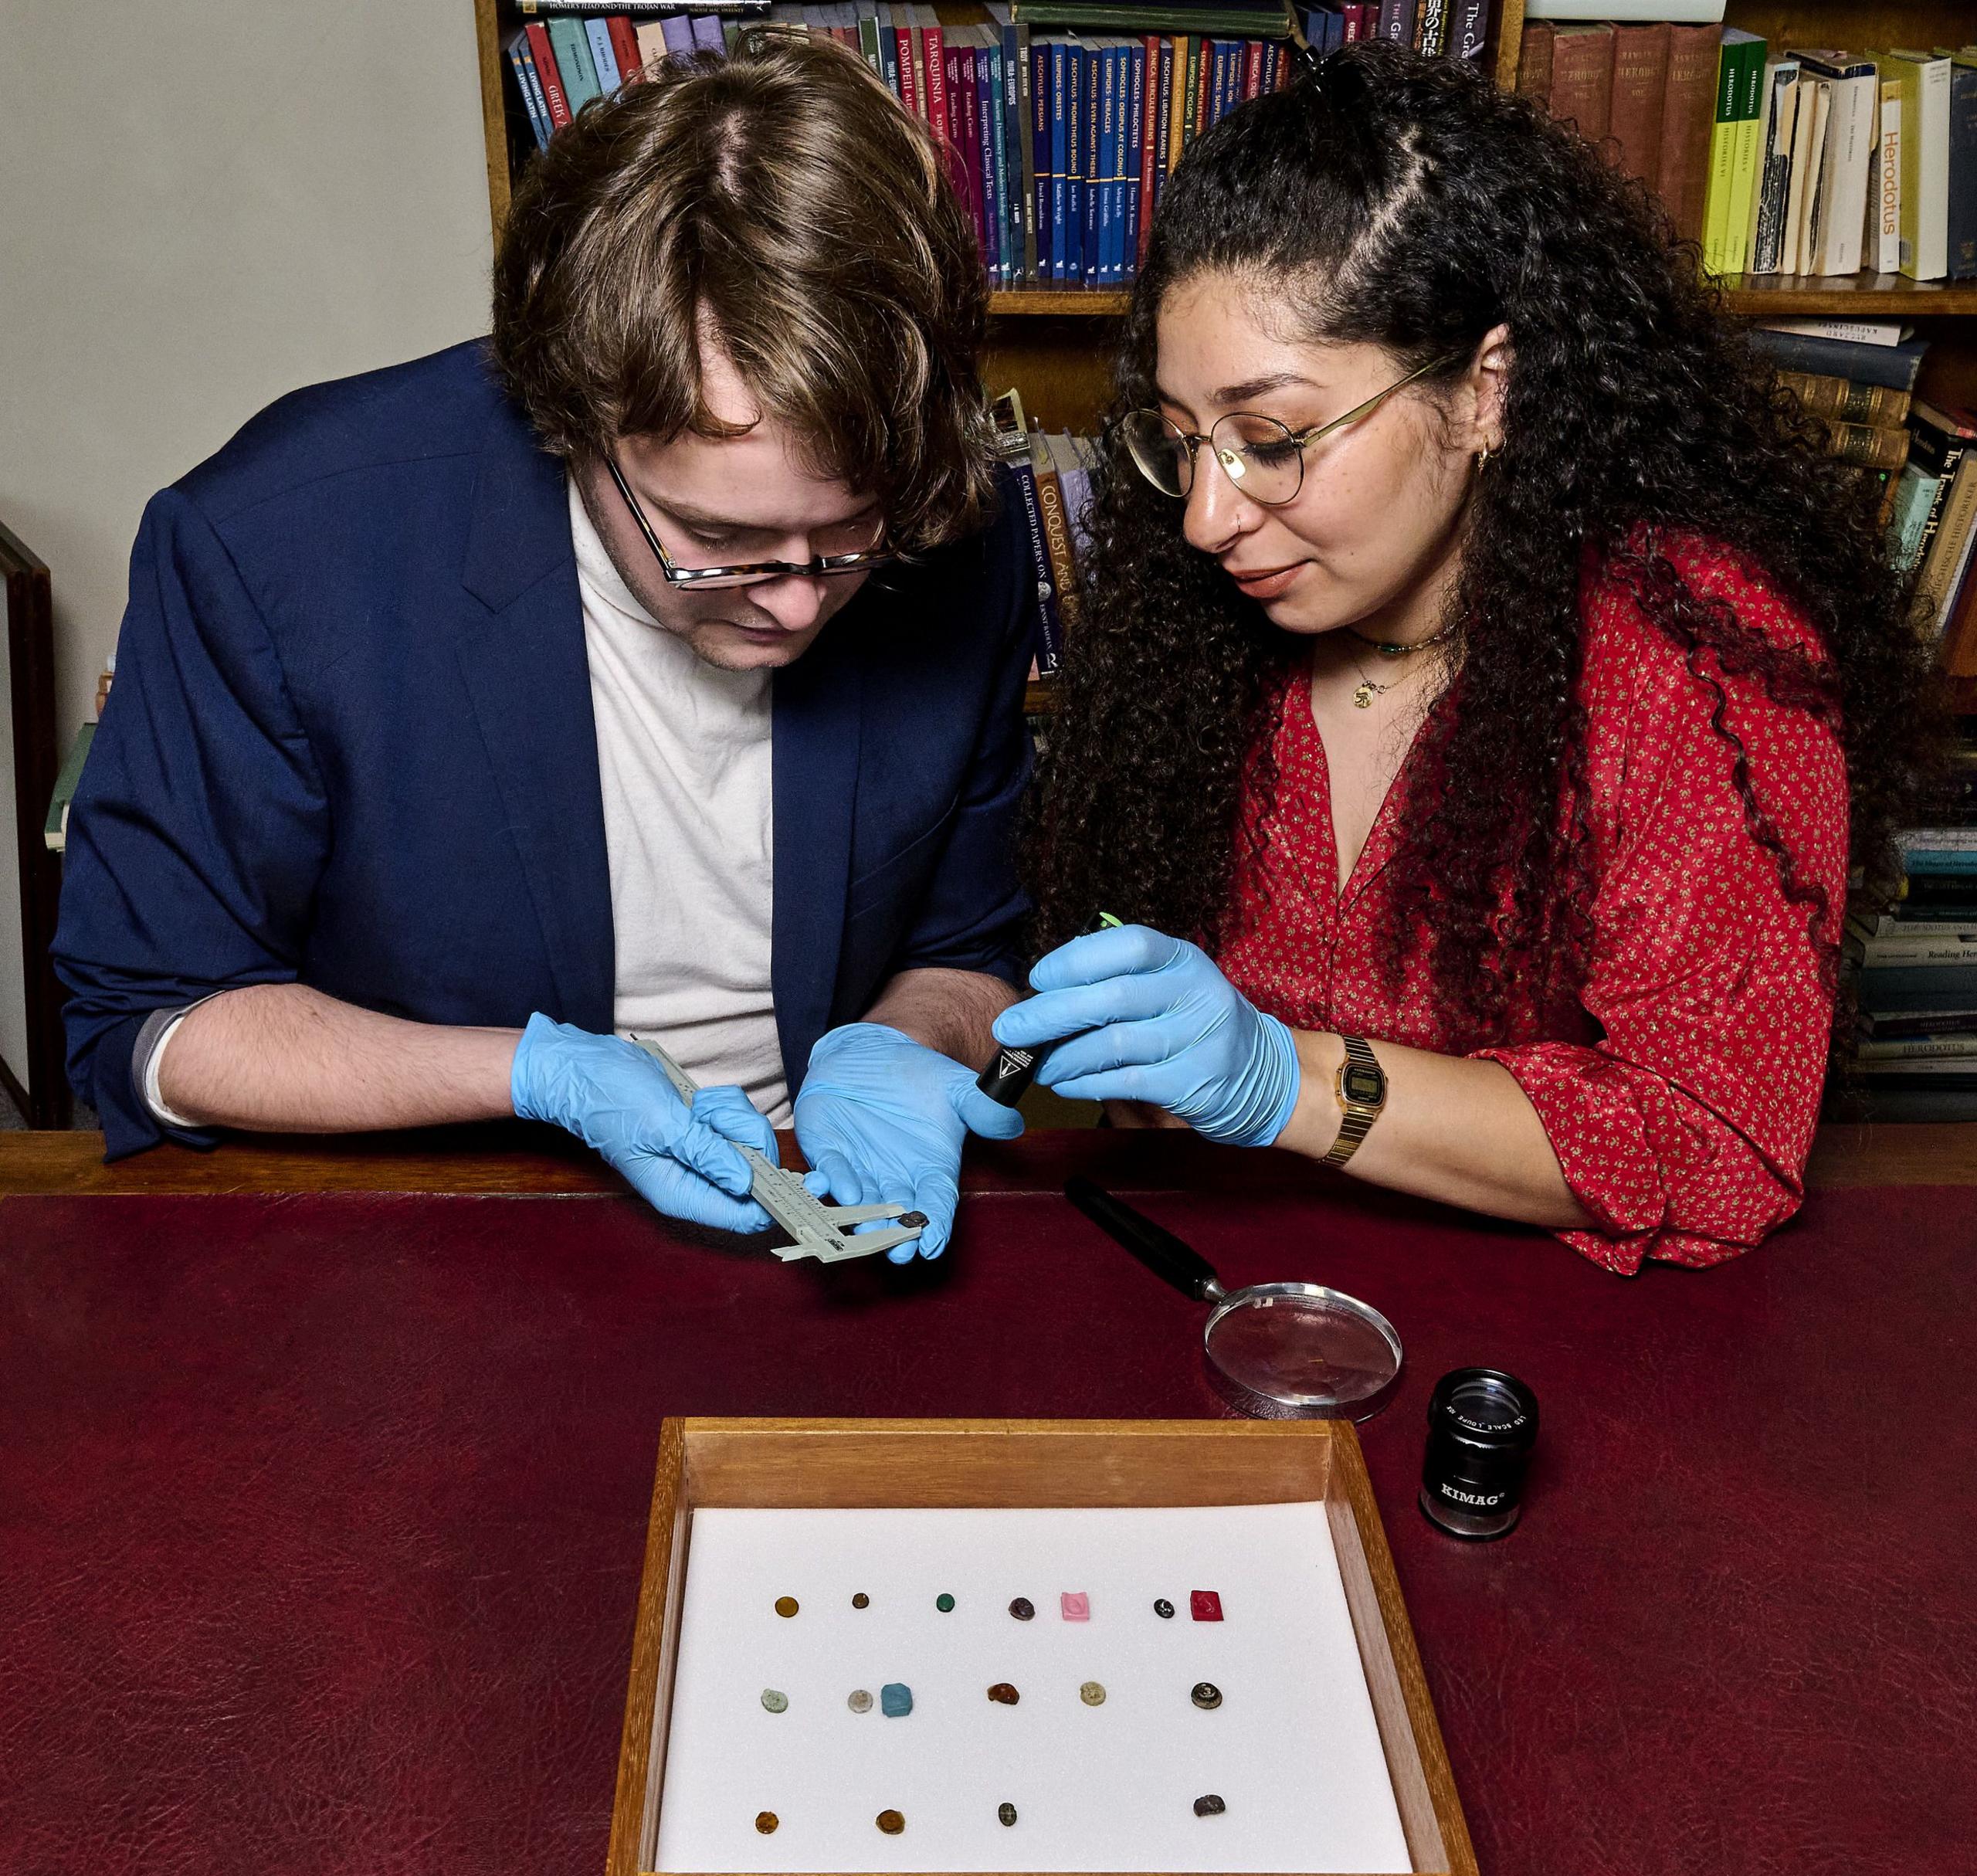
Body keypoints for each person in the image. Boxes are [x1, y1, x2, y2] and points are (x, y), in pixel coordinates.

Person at [56, 37, 1033, 1260]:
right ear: (574, 410)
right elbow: (148, 1024)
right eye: (717, 539)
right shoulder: (270, 548)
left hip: (816, 1218)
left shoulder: (954, 536)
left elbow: (969, 948)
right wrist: (533, 1074)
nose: (792, 605)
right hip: (432, 1238)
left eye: (842, 540)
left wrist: (912, 1039)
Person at [999, 42, 1941, 1272]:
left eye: (1273, 436)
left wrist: (1291, 1082)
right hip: (1215, 1286)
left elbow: (1718, 1143)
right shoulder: (1191, 634)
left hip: (1547, 1339)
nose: (1204, 518)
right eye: (1182, 441)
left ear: (1487, 391)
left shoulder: (1696, 661)